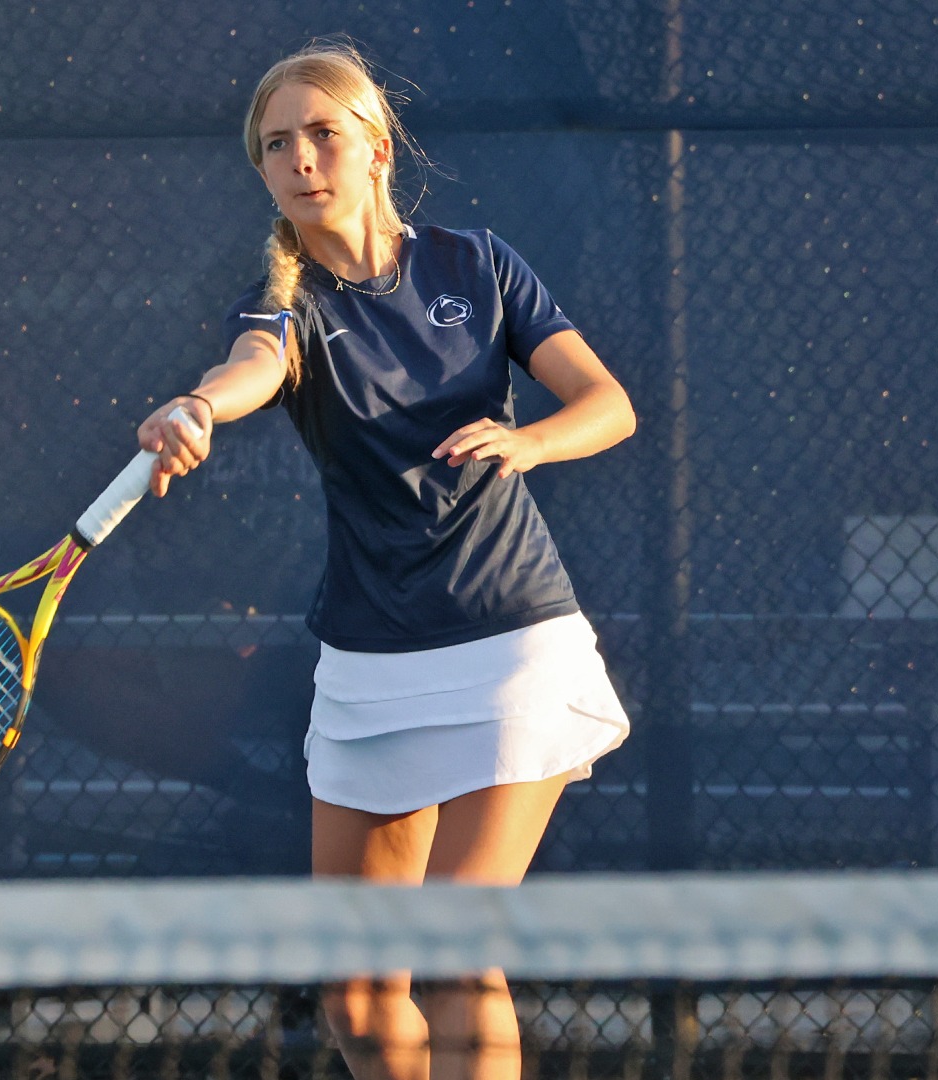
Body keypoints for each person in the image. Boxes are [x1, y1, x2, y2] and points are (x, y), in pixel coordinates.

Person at [136, 41, 636, 1080]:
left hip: (511, 643)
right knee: (360, 1001)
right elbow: (250, 367)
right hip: (371, 663)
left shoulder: (478, 266)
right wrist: (196, 407)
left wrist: (530, 442)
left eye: (323, 134)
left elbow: (607, 404)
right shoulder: (283, 304)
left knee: (455, 953)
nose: (300, 158)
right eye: (277, 144)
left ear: (376, 149)